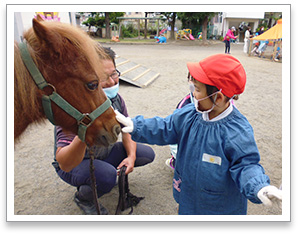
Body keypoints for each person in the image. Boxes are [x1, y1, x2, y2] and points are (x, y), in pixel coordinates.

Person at [115, 54, 282, 215]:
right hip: (188, 198)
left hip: (220, 210)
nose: (192, 93)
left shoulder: (237, 131)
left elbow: (246, 165)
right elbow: (165, 127)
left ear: (217, 97)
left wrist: (259, 186)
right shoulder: (189, 114)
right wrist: (136, 126)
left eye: (197, 89)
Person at [52, 47, 155, 215]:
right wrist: (83, 134)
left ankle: (103, 175)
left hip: (103, 154)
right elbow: (64, 162)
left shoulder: (115, 99)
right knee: (106, 176)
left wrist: (131, 157)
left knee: (145, 153)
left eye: (114, 74)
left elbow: (127, 128)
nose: (113, 82)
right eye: (104, 77)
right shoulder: (76, 106)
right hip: (76, 163)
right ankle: (84, 198)